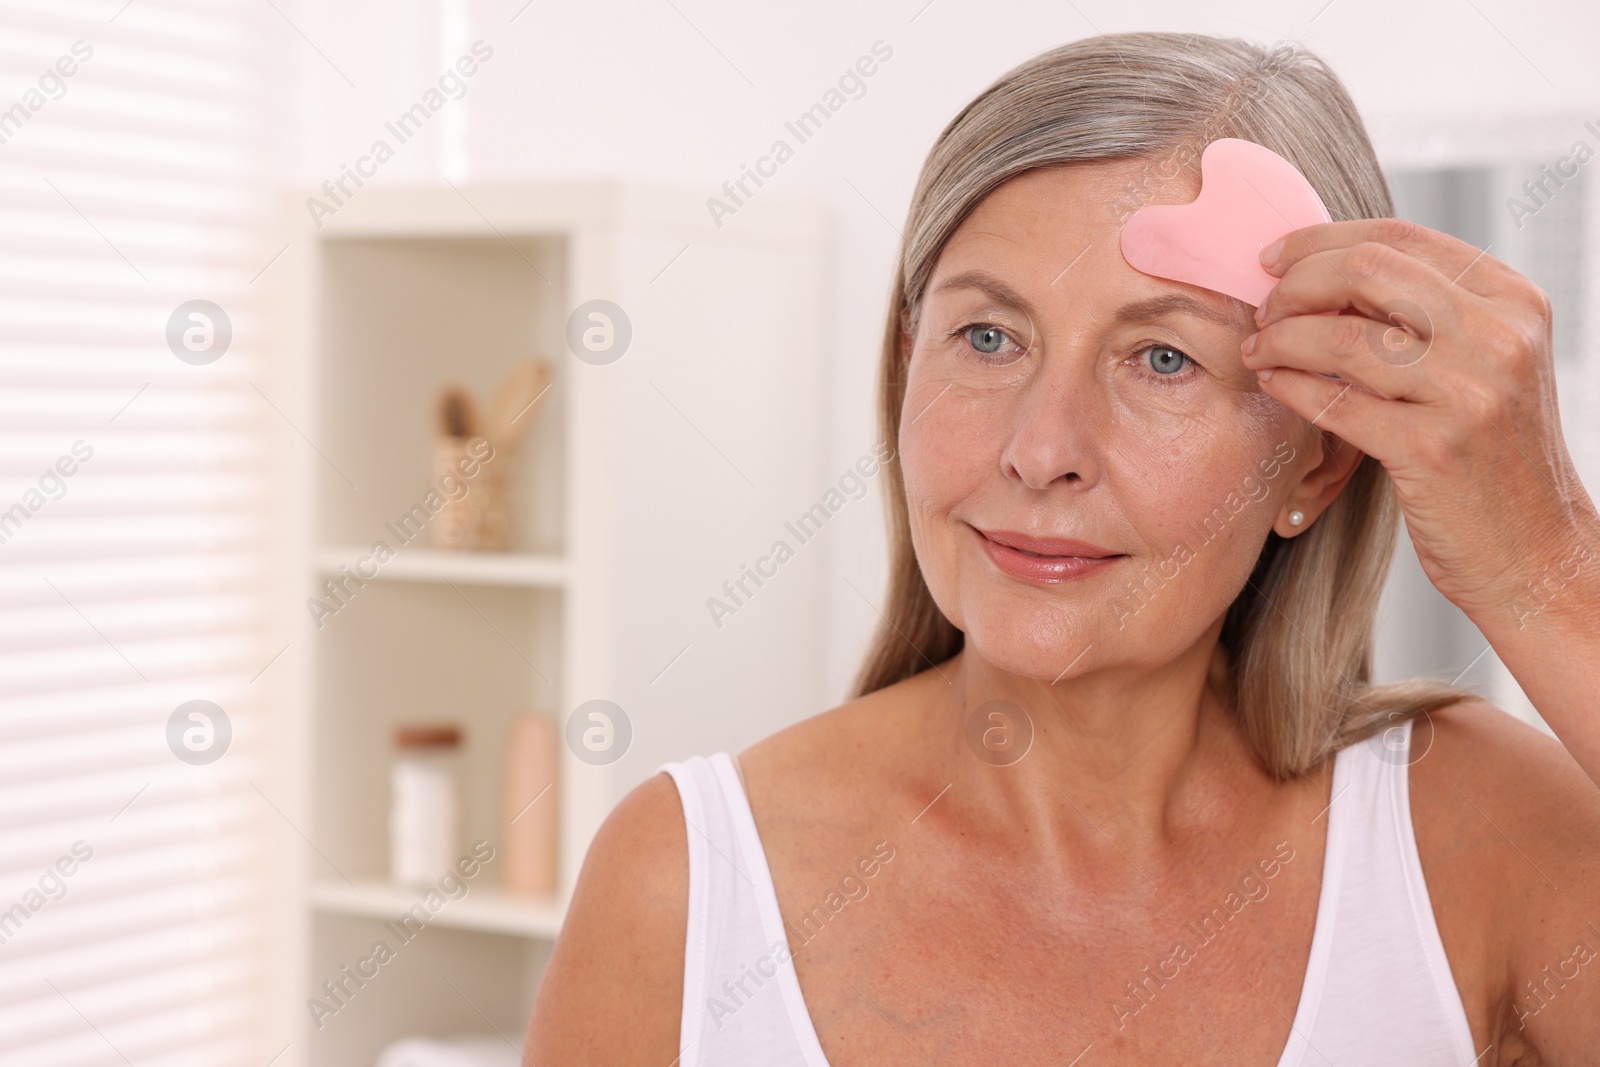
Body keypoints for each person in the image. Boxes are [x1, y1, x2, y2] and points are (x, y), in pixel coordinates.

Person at [528, 32, 1600, 1064]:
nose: (1041, 450)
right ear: (908, 367)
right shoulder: (688, 882)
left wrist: (1547, 572)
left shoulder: (1476, 837)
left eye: (1163, 358)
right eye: (988, 337)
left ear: (1317, 463)